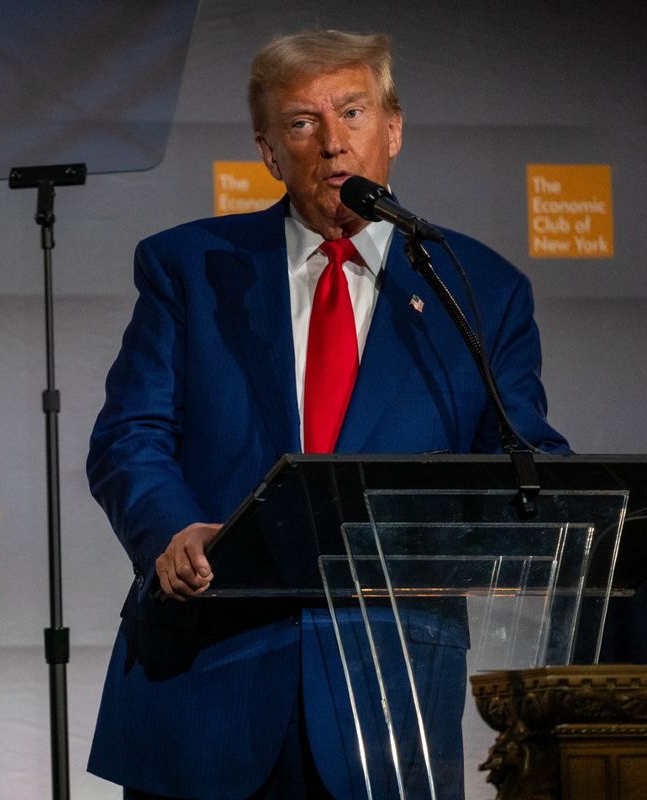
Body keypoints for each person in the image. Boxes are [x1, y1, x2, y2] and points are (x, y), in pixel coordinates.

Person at [85, 29, 570, 800]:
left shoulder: (479, 287)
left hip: (388, 696)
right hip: (207, 682)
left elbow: (524, 458)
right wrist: (171, 531)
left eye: (353, 112)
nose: (333, 144)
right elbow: (129, 436)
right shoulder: (190, 265)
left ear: (395, 129)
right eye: (304, 123)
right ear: (270, 152)